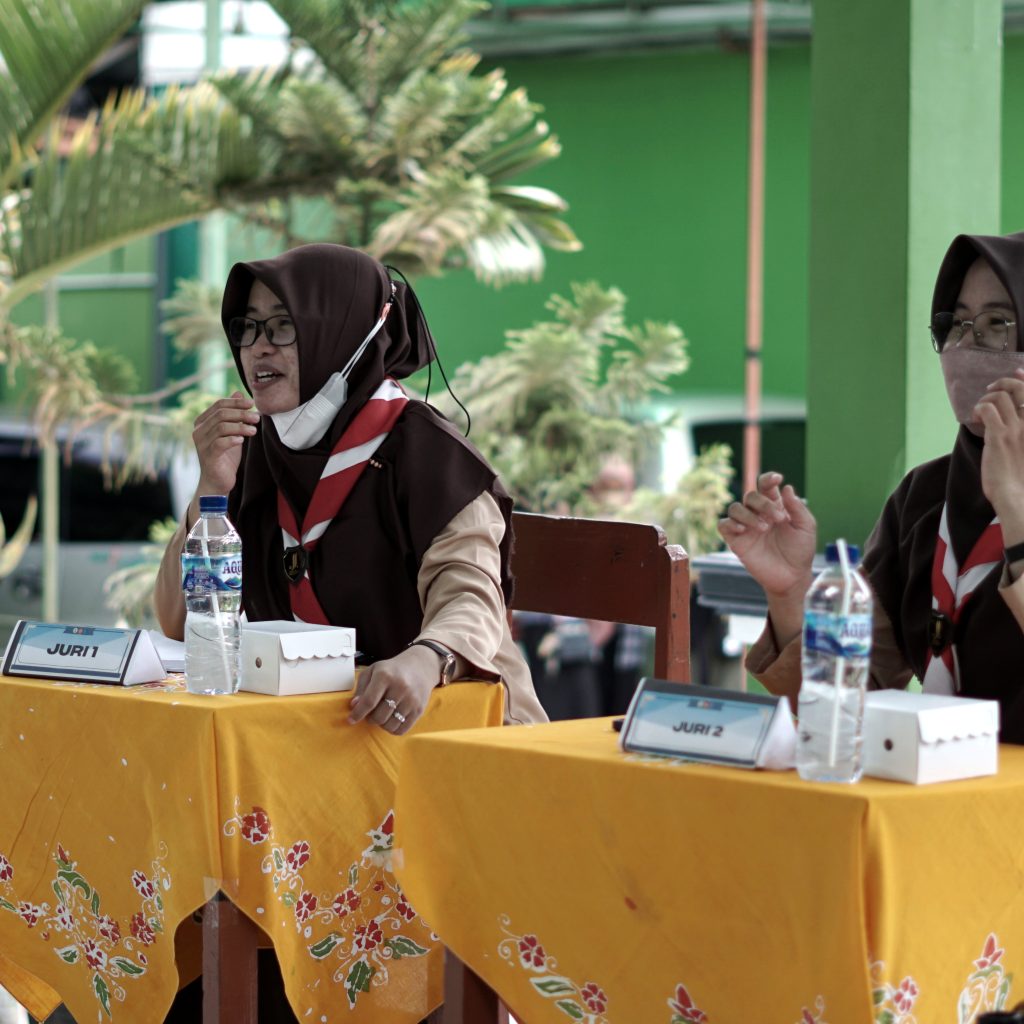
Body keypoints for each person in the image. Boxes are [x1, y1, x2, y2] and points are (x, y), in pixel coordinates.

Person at [154, 242, 547, 730]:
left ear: (341, 332)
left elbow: (470, 596)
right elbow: (178, 622)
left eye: (283, 324)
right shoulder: (248, 451)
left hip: (457, 726)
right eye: (247, 327)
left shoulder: (428, 454)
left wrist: (426, 657)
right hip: (326, 730)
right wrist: (210, 490)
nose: (259, 346)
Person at [718, 230, 1024, 742]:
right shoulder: (925, 496)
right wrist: (790, 592)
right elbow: (844, 701)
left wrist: (1014, 507)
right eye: (956, 324)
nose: (966, 346)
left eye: (996, 324)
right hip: (937, 778)